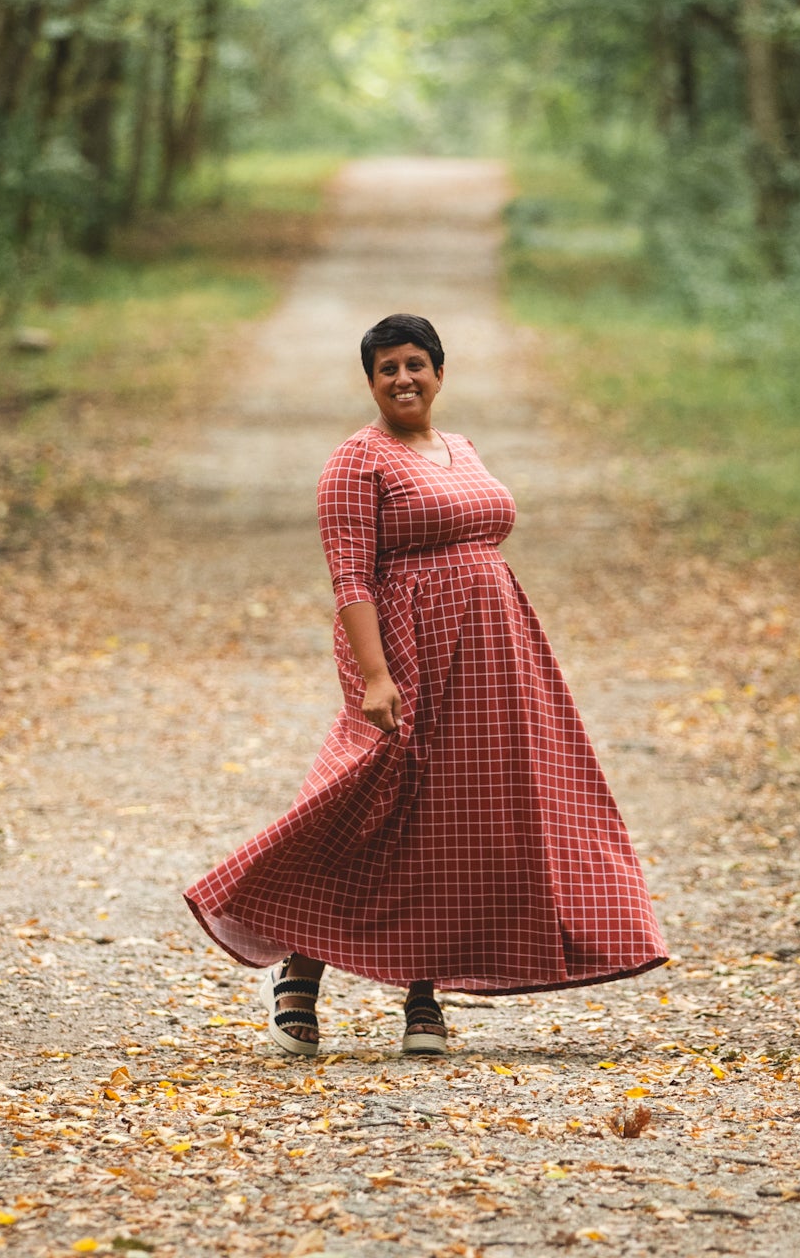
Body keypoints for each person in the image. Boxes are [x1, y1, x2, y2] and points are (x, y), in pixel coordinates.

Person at [184, 313, 666, 1057]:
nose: (402, 378)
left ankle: (422, 995)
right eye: (386, 369)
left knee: (458, 820)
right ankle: (298, 965)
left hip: (492, 658)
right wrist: (375, 676)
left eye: (415, 364)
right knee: (373, 798)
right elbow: (349, 575)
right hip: (406, 648)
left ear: (439, 371)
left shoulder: (462, 449)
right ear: (371, 381)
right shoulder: (355, 461)